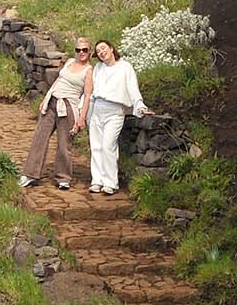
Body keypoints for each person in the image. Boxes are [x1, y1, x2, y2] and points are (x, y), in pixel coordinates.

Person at [21, 37, 94, 191]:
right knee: (40, 136)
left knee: (64, 143)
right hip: (52, 101)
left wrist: (81, 118)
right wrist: (46, 98)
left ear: (90, 52)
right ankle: (30, 174)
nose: (81, 52)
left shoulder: (88, 70)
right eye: (78, 49)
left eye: (85, 50)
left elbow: (87, 95)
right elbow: (58, 81)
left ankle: (63, 178)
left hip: (68, 106)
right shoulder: (68, 63)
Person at [80, 39, 145, 196]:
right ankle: (97, 180)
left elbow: (132, 88)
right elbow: (90, 90)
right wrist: (82, 109)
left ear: (111, 48)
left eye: (103, 49)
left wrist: (140, 105)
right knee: (96, 146)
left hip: (115, 110)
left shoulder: (125, 67)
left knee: (108, 145)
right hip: (97, 109)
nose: (102, 53)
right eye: (99, 52)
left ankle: (110, 182)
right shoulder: (98, 68)